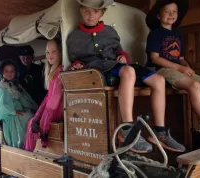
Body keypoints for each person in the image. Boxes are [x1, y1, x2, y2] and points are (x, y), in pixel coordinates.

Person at [66, 0, 185, 153]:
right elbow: (76, 59)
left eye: (95, 11)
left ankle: (160, 132)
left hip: (116, 65)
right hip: (97, 68)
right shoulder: (74, 37)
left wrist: (122, 56)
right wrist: (77, 65)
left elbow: (119, 51)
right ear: (81, 11)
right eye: (87, 11)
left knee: (159, 80)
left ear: (102, 13)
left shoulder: (110, 32)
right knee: (129, 72)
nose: (90, 15)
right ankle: (127, 129)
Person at [146, 0, 200, 133]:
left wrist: (186, 67)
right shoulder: (155, 33)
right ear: (158, 15)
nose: (171, 14)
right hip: (162, 70)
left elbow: (181, 59)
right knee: (194, 85)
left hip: (178, 69)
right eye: (167, 11)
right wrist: (179, 68)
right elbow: (154, 58)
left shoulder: (177, 34)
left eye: (174, 11)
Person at [24, 39, 64, 151]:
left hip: (58, 110)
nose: (50, 56)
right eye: (47, 52)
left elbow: (53, 103)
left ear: (60, 52)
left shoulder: (60, 71)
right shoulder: (52, 71)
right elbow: (48, 98)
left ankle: (32, 153)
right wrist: (37, 116)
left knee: (32, 124)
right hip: (52, 109)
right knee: (32, 121)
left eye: (54, 51)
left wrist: (43, 124)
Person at [0, 60, 38, 148]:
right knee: (28, 117)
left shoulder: (16, 85)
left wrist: (33, 107)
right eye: (6, 71)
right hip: (10, 116)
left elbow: (25, 99)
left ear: (15, 72)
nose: (9, 73)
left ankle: (33, 142)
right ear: (2, 72)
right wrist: (13, 112)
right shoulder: (1, 87)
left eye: (12, 71)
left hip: (19, 111)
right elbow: (1, 105)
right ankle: (24, 145)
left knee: (33, 115)